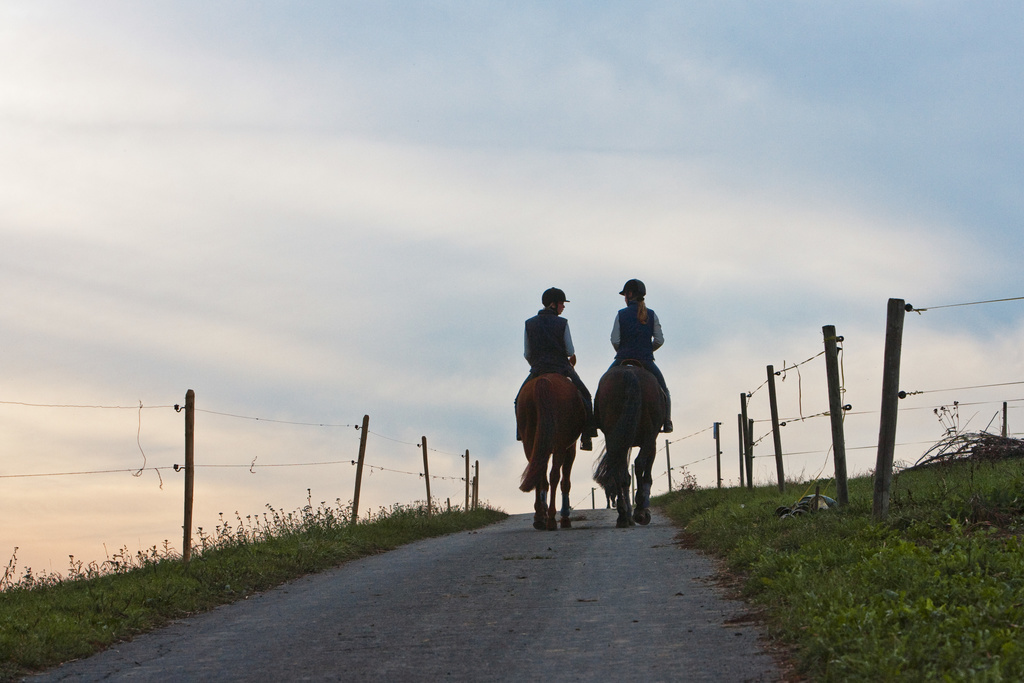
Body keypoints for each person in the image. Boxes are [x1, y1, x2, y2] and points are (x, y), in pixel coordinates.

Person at [519, 287, 598, 450]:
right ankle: (587, 435)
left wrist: (536, 366)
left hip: (538, 369)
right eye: (562, 303)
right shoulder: (562, 323)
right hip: (561, 368)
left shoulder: (529, 323)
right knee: (586, 396)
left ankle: (521, 432)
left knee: (518, 399)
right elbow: (569, 351)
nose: (563, 306)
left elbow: (527, 353)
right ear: (553, 304)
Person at [608, 278, 673, 433]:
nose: (624, 298)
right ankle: (667, 421)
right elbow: (659, 340)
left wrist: (623, 350)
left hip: (622, 358)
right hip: (646, 360)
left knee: (603, 384)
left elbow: (614, 340)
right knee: (664, 390)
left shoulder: (621, 314)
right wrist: (647, 350)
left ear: (630, 294)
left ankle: (595, 420)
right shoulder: (651, 314)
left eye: (625, 295)